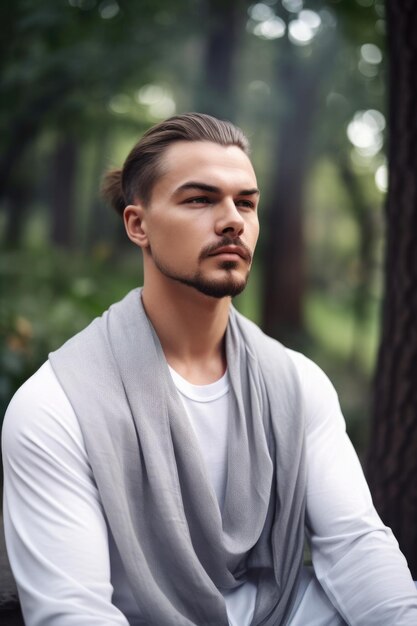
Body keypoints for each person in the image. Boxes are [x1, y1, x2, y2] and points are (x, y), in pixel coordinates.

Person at [2, 113, 417, 626]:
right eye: (200, 199)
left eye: (245, 202)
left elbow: (355, 545)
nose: (232, 220)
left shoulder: (296, 383)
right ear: (138, 225)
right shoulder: (57, 406)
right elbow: (72, 612)